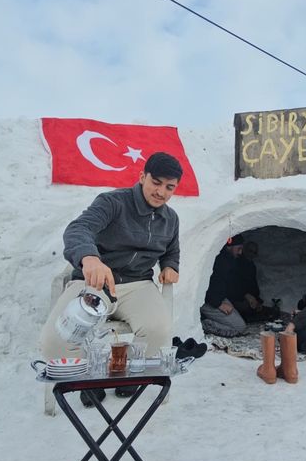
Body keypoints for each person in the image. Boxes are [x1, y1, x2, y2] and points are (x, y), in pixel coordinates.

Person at [39, 152, 183, 398]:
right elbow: (78, 228)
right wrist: (90, 258)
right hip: (97, 282)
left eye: (169, 187)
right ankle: (89, 379)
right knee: (57, 341)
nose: (161, 192)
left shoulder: (170, 219)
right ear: (142, 177)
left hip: (138, 285)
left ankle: (132, 373)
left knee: (158, 330)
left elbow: (172, 250)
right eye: (156, 182)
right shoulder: (112, 202)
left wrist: (171, 266)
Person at [199, 234, 247, 337]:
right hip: (209, 301)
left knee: (240, 324)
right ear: (229, 246)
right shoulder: (219, 261)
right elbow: (207, 285)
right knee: (239, 327)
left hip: (219, 299)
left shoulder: (230, 261)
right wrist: (219, 304)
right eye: (238, 248)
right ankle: (201, 324)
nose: (240, 252)